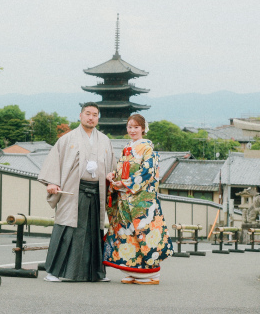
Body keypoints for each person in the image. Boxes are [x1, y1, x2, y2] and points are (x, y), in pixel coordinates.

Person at [38, 102, 116, 282]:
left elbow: (112, 168)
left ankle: (96, 273)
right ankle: (54, 271)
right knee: (66, 228)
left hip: (97, 191)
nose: (91, 117)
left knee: (95, 232)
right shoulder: (67, 139)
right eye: (87, 113)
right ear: (80, 116)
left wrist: (113, 176)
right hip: (74, 190)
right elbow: (54, 161)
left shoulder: (105, 140)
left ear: (98, 118)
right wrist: (52, 182)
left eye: (95, 114)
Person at [103, 113, 174, 284]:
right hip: (125, 199)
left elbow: (147, 172)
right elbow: (124, 169)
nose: (132, 130)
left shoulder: (148, 148)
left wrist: (126, 183)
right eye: (130, 127)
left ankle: (152, 274)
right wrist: (115, 175)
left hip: (142, 201)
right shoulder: (127, 147)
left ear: (143, 128)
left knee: (145, 234)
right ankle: (134, 271)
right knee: (129, 236)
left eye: (136, 127)